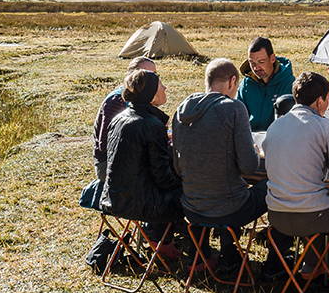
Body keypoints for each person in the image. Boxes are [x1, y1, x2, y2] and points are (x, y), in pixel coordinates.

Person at [172, 58, 277, 277]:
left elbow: (177, 166)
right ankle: (276, 255)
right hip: (228, 209)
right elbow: (249, 167)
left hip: (191, 206)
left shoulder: (182, 110)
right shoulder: (233, 108)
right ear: (232, 82)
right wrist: (257, 153)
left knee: (228, 186)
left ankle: (227, 253)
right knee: (275, 184)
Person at [263, 71, 329, 272]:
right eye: (327, 99)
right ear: (319, 101)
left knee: (317, 196)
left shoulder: (274, 126)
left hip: (276, 216)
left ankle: (312, 264)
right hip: (313, 216)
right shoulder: (324, 125)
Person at [100, 69, 185, 244]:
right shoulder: (150, 124)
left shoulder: (119, 118)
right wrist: (185, 183)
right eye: (161, 86)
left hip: (114, 198)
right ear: (152, 96)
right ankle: (195, 249)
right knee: (195, 195)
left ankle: (163, 240)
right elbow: (162, 177)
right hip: (141, 204)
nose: (165, 88)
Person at [93, 56, 156, 181]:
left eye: (154, 74)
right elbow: (104, 144)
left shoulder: (144, 97)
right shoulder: (116, 101)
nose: (150, 78)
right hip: (109, 163)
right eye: (144, 73)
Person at [238, 37, 295, 131]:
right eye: (252, 63)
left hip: (279, 138)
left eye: (261, 62)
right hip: (251, 139)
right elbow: (238, 118)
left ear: (272, 58)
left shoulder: (289, 83)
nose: (256, 68)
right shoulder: (246, 84)